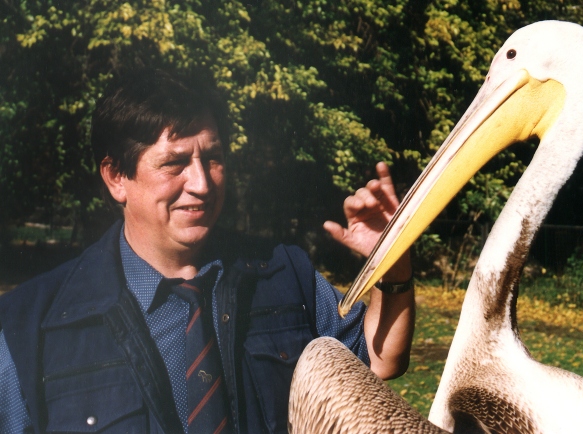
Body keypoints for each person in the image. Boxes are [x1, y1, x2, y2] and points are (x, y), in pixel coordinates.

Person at [0, 69, 415, 434]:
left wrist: (391, 265)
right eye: (174, 163)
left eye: (213, 158)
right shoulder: (28, 325)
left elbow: (378, 363)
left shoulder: (283, 273)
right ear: (115, 177)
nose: (201, 183)